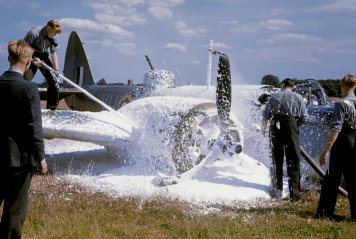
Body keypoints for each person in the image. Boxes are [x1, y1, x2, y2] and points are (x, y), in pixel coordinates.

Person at [0, 40, 48, 239]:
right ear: (28, 62)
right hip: (19, 159)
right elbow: (34, 127)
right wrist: (41, 158)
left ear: (8, 58)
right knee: (14, 210)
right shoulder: (29, 89)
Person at [315, 74, 356, 221]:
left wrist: (326, 150)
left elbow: (336, 129)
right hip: (354, 138)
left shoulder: (341, 103)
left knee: (332, 178)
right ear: (355, 86)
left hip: (342, 141)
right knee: (352, 178)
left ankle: (325, 212)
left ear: (342, 86)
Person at [261, 78, 307, 201]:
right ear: (293, 87)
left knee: (277, 159)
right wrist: (294, 127)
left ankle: (277, 191)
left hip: (275, 127)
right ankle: (295, 195)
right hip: (291, 125)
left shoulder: (274, 96)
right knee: (293, 159)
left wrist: (263, 131)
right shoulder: (298, 97)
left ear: (283, 85)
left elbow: (265, 117)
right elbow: (304, 117)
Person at [24, 19, 62, 110]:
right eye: (54, 33)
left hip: (43, 56)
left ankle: (52, 108)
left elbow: (53, 53)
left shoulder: (53, 37)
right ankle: (22, 106)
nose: (55, 35)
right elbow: (23, 49)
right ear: (48, 28)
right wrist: (32, 61)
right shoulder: (34, 33)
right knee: (25, 79)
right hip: (30, 54)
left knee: (54, 80)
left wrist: (56, 70)